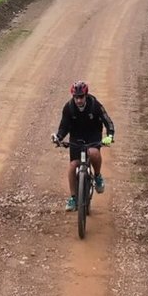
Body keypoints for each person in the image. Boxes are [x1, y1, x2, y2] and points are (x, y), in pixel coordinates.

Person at [52, 80, 115, 211]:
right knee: (72, 166)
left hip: (93, 136)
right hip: (77, 138)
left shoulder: (95, 105)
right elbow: (64, 127)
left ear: (86, 95)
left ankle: (97, 176)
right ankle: (74, 198)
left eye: (81, 97)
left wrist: (109, 135)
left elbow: (107, 121)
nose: (79, 100)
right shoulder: (69, 108)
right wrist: (58, 137)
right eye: (76, 97)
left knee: (93, 153)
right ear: (73, 97)